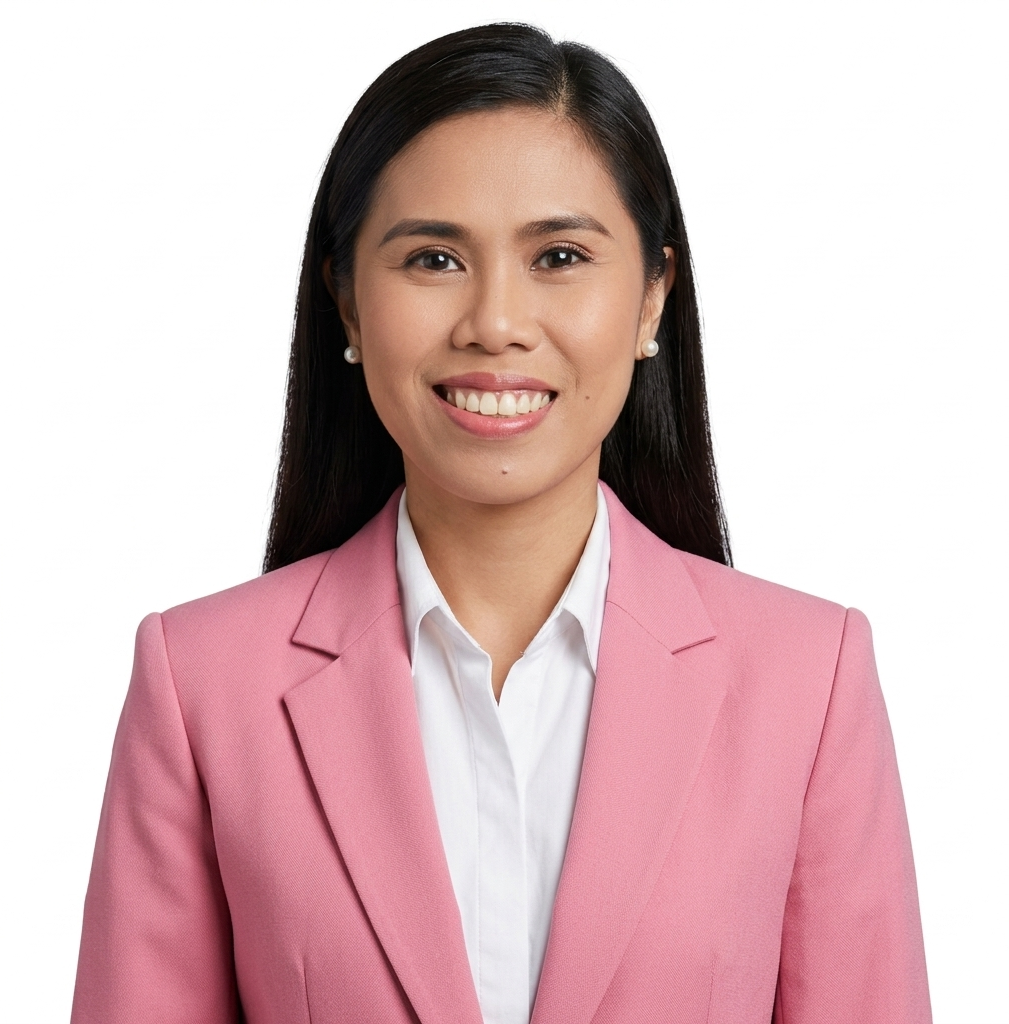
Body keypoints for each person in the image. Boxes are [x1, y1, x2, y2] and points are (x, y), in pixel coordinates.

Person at [71, 23, 931, 1024]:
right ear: (346, 303)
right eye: (433, 258)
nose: (494, 323)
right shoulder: (201, 686)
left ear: (651, 297)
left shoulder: (808, 680)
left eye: (559, 256)